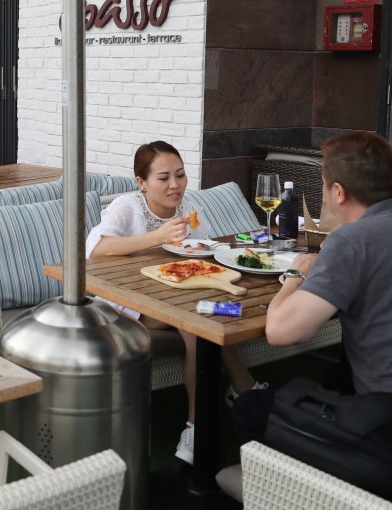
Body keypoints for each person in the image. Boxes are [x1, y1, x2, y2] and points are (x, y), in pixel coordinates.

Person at [234, 131, 392, 446]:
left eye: (323, 185)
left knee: (250, 407)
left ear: (338, 193)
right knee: (335, 379)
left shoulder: (351, 241)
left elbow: (280, 332)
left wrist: (296, 273)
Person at [85, 141, 265, 465]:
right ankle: (241, 391)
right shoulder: (128, 207)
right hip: (125, 301)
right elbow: (95, 249)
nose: (175, 185)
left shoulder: (187, 211)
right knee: (198, 321)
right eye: (164, 177)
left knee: (200, 318)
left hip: (175, 295)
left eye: (180, 176)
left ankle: (204, 420)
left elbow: (204, 249)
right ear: (141, 182)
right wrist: (158, 237)